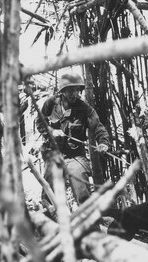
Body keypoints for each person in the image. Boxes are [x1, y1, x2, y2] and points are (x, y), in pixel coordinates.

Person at [35, 72, 110, 205]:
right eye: (70, 91)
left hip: (75, 156)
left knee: (82, 190)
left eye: (77, 90)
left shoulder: (84, 108)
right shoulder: (51, 103)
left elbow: (98, 126)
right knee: (50, 194)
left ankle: (90, 223)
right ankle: (49, 221)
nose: (74, 94)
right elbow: (40, 122)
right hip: (53, 153)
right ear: (63, 91)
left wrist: (103, 143)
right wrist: (51, 131)